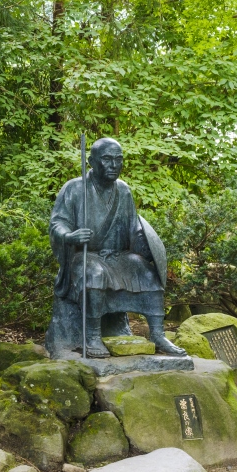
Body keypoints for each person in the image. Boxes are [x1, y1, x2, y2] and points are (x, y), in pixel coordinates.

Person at [47, 137, 185, 357]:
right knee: (94, 274)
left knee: (150, 275)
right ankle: (92, 336)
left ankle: (158, 335)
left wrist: (145, 245)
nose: (113, 165)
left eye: (118, 160)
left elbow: (133, 228)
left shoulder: (124, 190)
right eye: (107, 159)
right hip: (85, 256)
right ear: (92, 161)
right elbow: (57, 223)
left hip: (118, 257)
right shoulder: (74, 188)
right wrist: (70, 236)